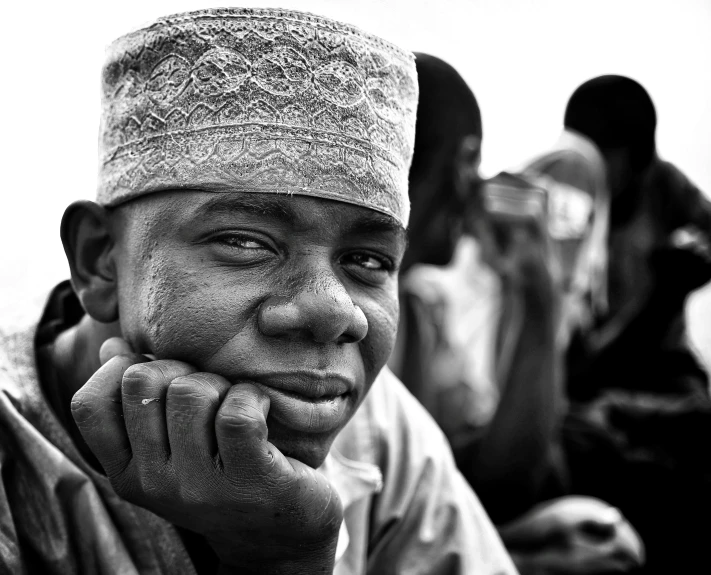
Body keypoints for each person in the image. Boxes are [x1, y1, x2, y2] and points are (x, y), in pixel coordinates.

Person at [0, 9, 519, 574]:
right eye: (247, 242)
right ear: (100, 260)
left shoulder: (378, 427)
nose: (333, 311)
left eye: (367, 260)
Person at [389, 57, 645, 574]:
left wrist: (538, 296)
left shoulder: (418, 313)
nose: (476, 185)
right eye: (470, 161)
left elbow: (503, 480)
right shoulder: (360, 319)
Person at [521, 75, 711, 574]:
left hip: (662, 376)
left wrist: (687, 263)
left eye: (607, 155)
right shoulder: (563, 194)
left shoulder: (665, 189)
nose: (595, 170)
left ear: (639, 155)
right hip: (587, 380)